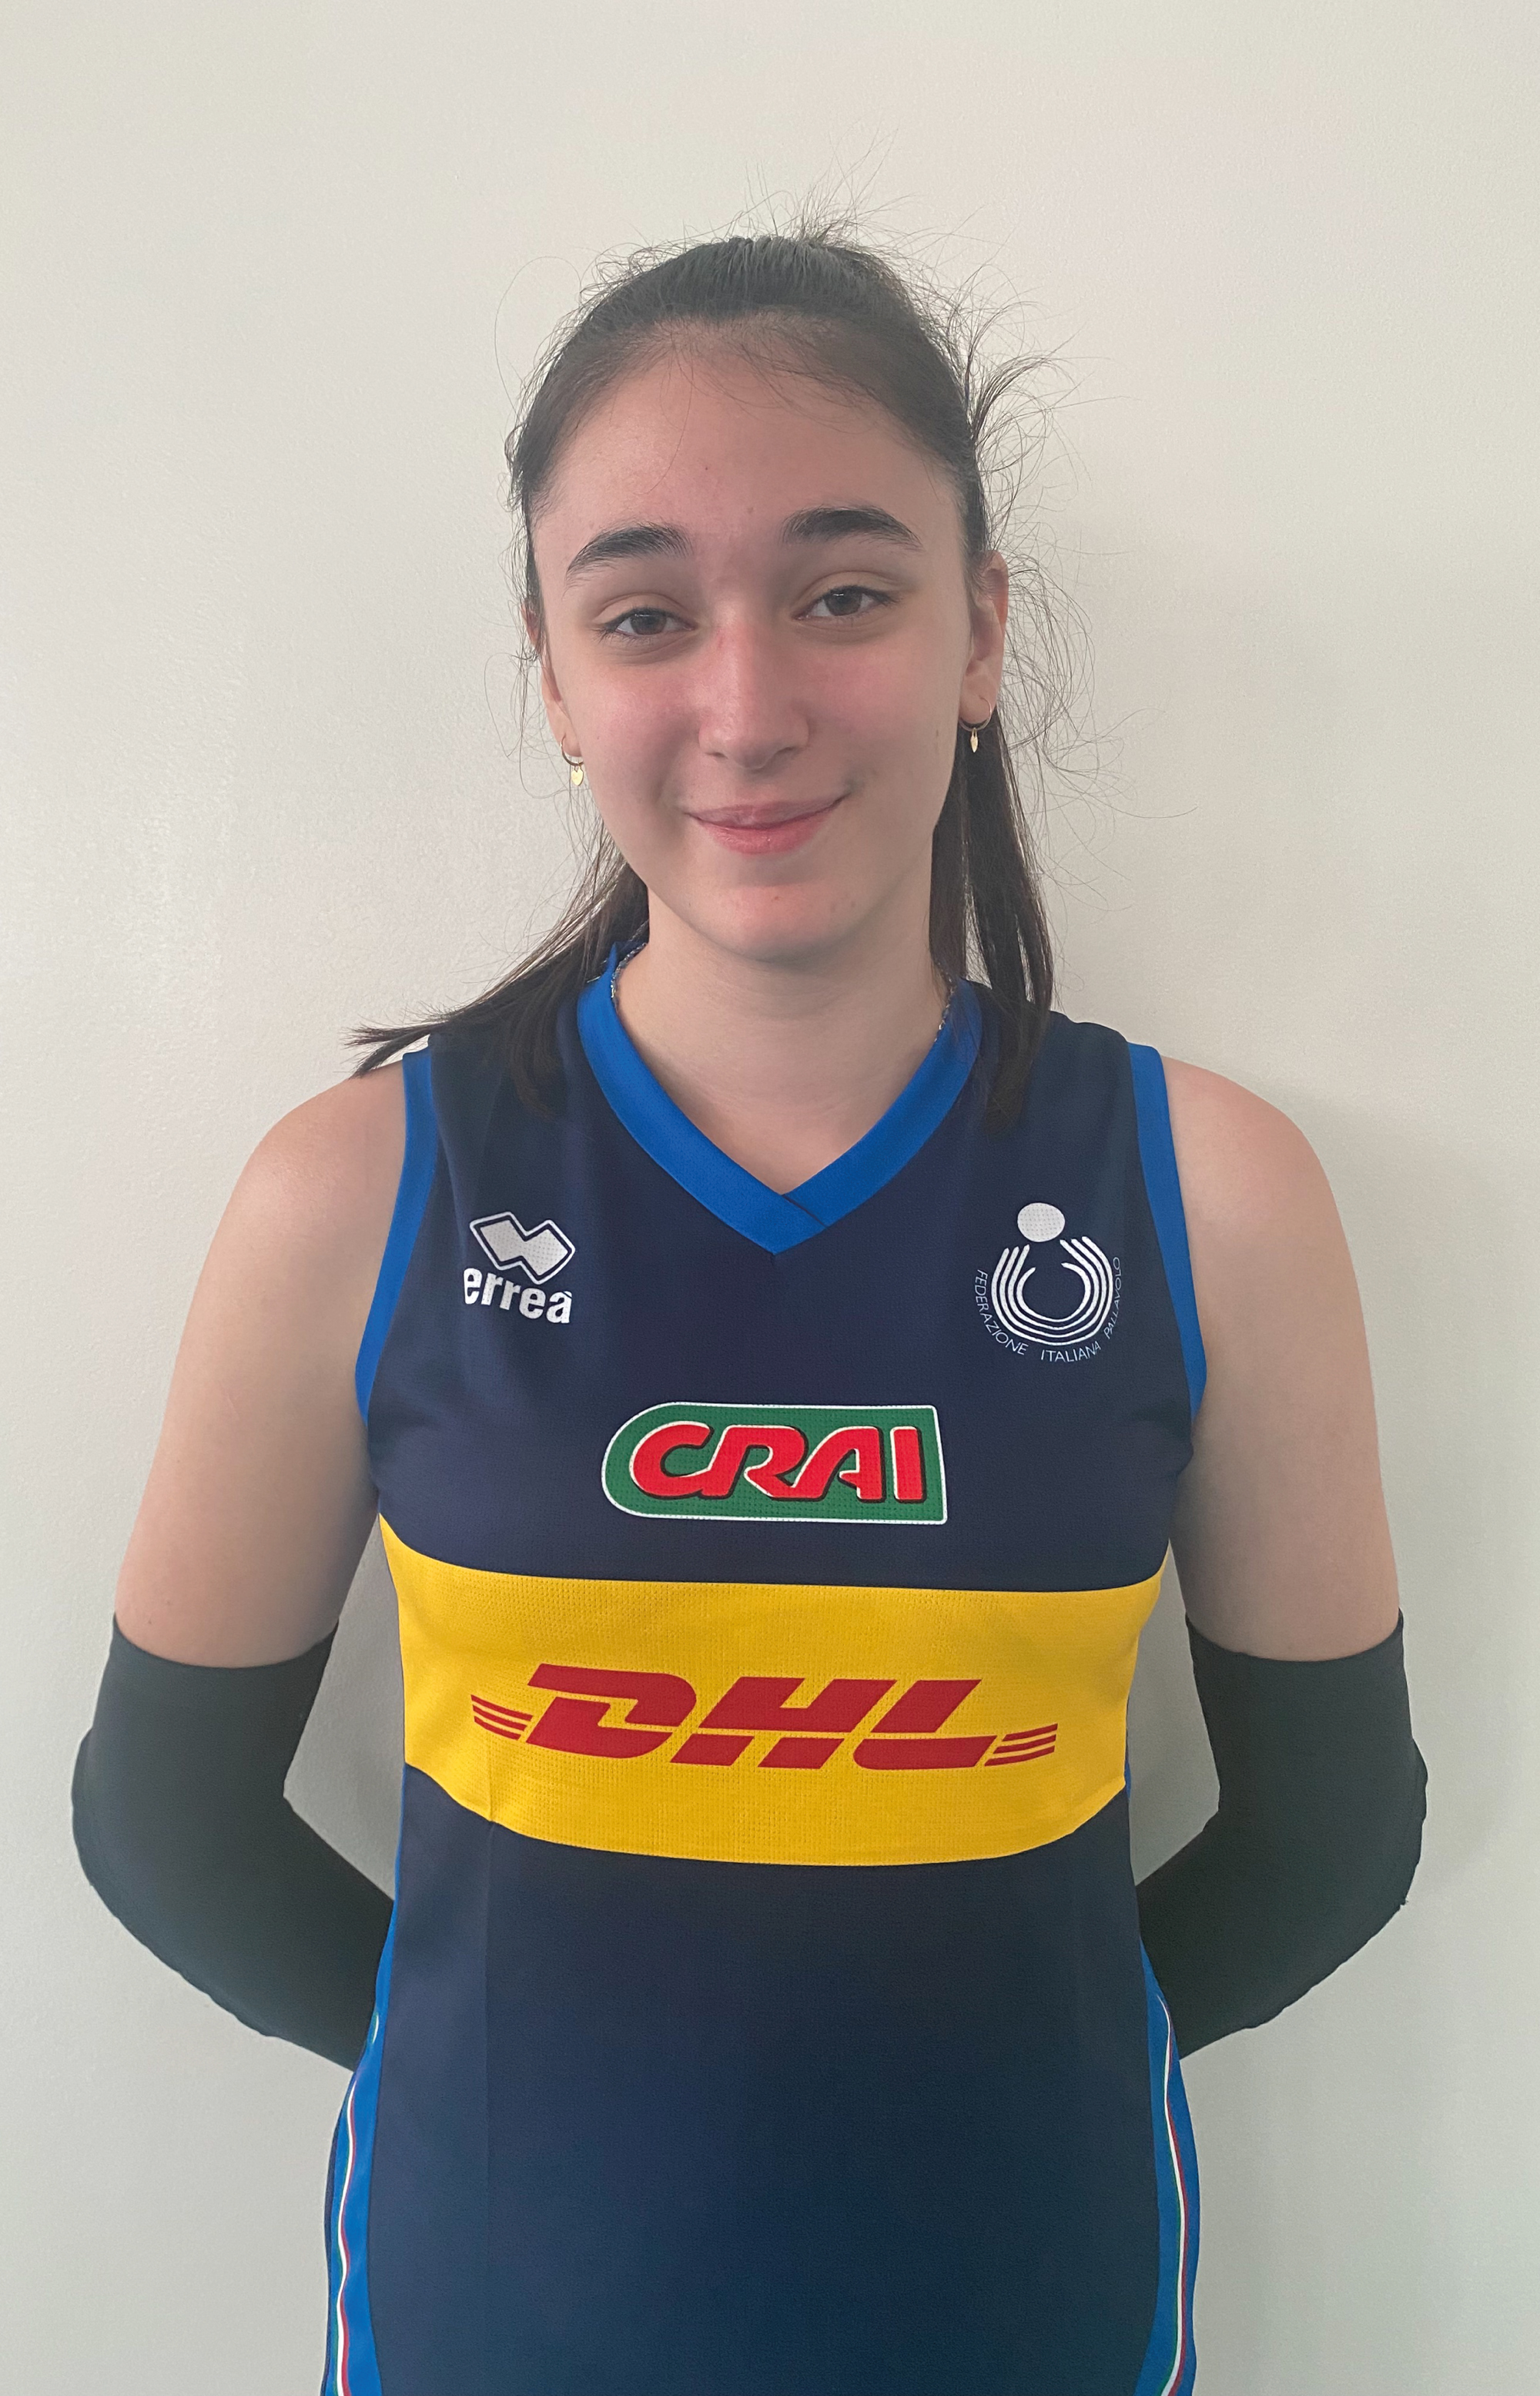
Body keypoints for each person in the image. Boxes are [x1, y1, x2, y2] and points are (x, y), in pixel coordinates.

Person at [72, 216, 1427, 2396]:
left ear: (981, 630)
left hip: (1035, 2318)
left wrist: (992, 2056)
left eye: (844, 593)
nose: (746, 705)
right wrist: (507, 2059)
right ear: (554, 675)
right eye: (643, 614)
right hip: (488, 2330)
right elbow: (164, 1821)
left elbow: (1335, 1838)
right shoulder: (360, 1193)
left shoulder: (1207, 1196)